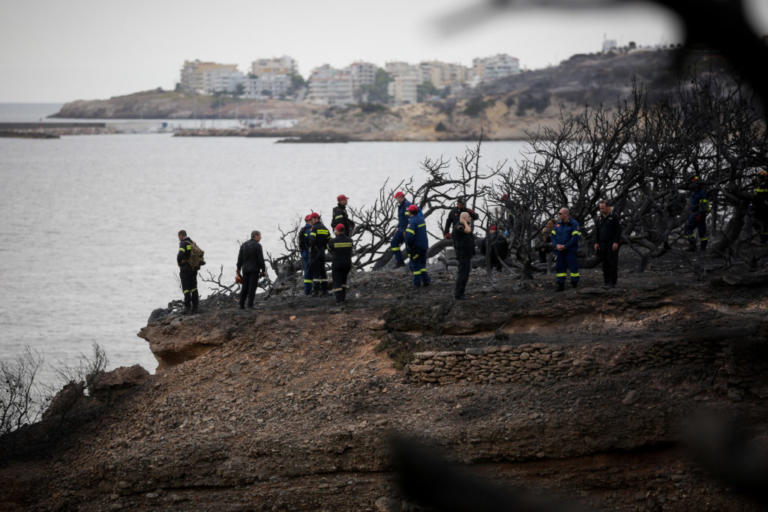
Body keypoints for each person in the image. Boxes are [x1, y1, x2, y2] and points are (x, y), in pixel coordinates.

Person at [551, 208, 581, 291]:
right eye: (559, 213)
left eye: (560, 213)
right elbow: (553, 236)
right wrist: (556, 245)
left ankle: (574, 284)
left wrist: (565, 246)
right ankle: (560, 285)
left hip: (570, 250)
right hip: (559, 251)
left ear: (566, 214)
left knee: (573, 268)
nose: (559, 215)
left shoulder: (574, 224)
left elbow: (575, 237)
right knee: (560, 268)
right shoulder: (557, 225)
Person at [593, 200, 622, 288]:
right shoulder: (599, 218)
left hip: (612, 244)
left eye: (602, 208)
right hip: (602, 244)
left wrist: (616, 242)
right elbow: (597, 231)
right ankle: (606, 281)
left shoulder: (614, 217)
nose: (601, 210)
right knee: (605, 264)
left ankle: (612, 282)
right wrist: (596, 242)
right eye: (600, 208)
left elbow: (618, 231)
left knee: (612, 263)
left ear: (608, 207)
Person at [236, 230, 266, 309]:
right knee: (252, 288)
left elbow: (240, 259)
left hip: (245, 270)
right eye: (259, 236)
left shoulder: (244, 245)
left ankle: (241, 305)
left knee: (244, 288)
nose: (260, 237)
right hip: (254, 270)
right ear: (255, 236)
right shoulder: (258, 246)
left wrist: (238, 269)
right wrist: (263, 270)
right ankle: (250, 305)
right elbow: (260, 259)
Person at [405, 204, 431, 288]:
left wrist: (409, 247)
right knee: (422, 265)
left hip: (416, 247)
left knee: (415, 265)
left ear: (410, 212)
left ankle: (417, 284)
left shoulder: (412, 222)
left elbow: (409, 237)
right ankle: (426, 281)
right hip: (424, 246)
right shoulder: (421, 219)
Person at [328, 223, 354, 303]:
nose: (335, 232)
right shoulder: (350, 240)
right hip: (347, 264)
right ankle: (343, 297)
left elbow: (329, 250)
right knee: (343, 281)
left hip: (337, 264)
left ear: (337, 231)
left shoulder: (332, 241)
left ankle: (339, 300)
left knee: (337, 282)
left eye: (335, 230)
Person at [683, 176, 710, 252]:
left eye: (693, 182)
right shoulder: (696, 192)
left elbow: (704, 206)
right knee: (702, 231)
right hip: (698, 214)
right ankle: (701, 248)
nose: (692, 184)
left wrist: (699, 214)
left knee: (688, 229)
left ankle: (693, 246)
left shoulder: (701, 193)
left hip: (698, 214)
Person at [177, 229, 200, 314]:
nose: (178, 238)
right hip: (194, 269)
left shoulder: (183, 243)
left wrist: (180, 263)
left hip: (186, 269)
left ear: (181, 235)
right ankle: (195, 307)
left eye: (178, 236)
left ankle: (187, 308)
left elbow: (180, 255)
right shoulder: (192, 243)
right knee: (194, 288)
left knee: (186, 289)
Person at [453, 212, 475, 299]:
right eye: (468, 217)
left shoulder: (464, 225)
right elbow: (468, 231)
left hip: (467, 254)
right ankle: (458, 294)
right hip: (462, 254)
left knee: (465, 274)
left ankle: (461, 293)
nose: (470, 218)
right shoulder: (459, 226)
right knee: (462, 274)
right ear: (464, 218)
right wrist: (464, 222)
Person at [309, 212, 331, 296]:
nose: (311, 221)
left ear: (315, 219)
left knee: (315, 272)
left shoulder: (314, 228)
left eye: (311, 219)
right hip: (322, 252)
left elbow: (312, 240)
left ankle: (316, 291)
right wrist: (325, 247)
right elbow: (329, 240)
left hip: (315, 252)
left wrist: (311, 248)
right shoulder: (325, 228)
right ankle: (324, 291)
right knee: (322, 271)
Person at [391, 191, 411, 267]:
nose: (396, 199)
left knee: (408, 247)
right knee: (394, 242)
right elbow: (401, 220)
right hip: (400, 229)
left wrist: (407, 230)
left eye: (397, 198)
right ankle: (400, 262)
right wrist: (397, 227)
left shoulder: (407, 205)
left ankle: (413, 264)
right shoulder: (400, 206)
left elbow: (410, 218)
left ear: (400, 197)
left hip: (407, 230)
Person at [298, 214, 314, 295]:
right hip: (308, 253)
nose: (313, 221)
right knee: (309, 271)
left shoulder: (302, 230)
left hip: (304, 253)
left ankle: (308, 290)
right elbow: (310, 242)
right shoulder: (309, 230)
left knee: (307, 271)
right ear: (309, 221)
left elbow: (300, 243)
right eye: (312, 220)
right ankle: (308, 290)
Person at [753, 170, 768, 244]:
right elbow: (756, 196)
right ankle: (762, 238)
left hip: (764, 208)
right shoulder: (758, 185)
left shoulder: (766, 185)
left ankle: (764, 240)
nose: (757, 179)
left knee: (765, 224)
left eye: (758, 177)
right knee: (755, 222)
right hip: (758, 207)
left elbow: (763, 196)